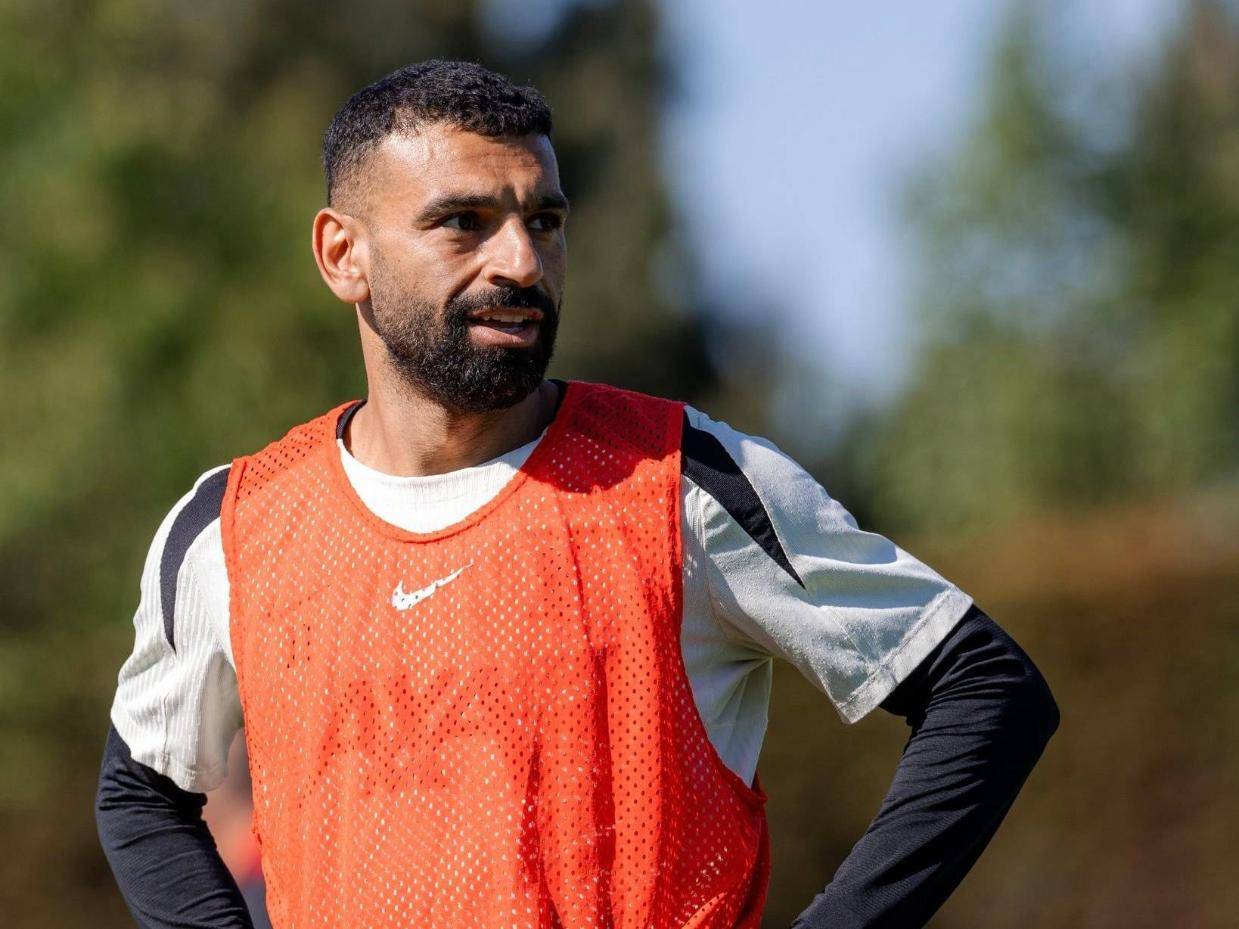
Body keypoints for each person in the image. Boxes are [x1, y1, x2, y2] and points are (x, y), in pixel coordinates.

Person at [95, 59, 1059, 929]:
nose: (521, 262)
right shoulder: (230, 527)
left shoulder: (684, 481)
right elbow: (141, 793)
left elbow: (985, 687)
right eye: (463, 222)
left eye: (544, 221)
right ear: (343, 254)